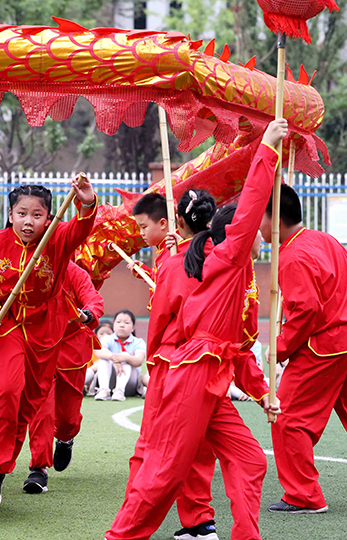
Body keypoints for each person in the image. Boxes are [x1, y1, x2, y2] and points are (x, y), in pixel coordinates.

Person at [106, 120, 287, 540]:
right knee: (165, 469)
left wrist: (262, 394)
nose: (260, 233)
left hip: (203, 371)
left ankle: (244, 534)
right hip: (191, 371)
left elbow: (234, 346)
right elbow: (252, 204)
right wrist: (267, 150)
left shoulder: (185, 261)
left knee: (249, 457)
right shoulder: (223, 259)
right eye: (250, 230)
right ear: (226, 233)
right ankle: (120, 537)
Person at [0, 176, 97, 511]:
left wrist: (87, 204)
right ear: (10, 215)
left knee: (27, 406)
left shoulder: (56, 241)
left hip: (45, 331)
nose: (29, 221)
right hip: (8, 325)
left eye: (37, 215)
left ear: (49, 218)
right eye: (22, 213)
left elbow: (80, 231)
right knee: (5, 389)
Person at [260, 183, 347, 514]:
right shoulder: (325, 240)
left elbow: (305, 310)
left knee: (286, 416)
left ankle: (303, 496)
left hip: (325, 343)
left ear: (274, 218)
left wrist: (279, 348)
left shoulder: (292, 255)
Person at [131, 189, 221, 540]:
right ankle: (200, 524)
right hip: (214, 361)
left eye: (142, 227)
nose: (140, 233)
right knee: (200, 447)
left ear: (176, 221)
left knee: (153, 447)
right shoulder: (225, 256)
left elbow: (162, 318)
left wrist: (153, 359)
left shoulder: (175, 262)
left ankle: (129, 525)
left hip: (175, 362)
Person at [25, 261, 103, 493]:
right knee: (41, 409)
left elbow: (93, 298)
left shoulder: (73, 272)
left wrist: (88, 314)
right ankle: (38, 468)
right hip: (39, 348)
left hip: (71, 349)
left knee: (68, 419)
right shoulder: (27, 266)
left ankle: (66, 439)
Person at [93, 310, 145, 401]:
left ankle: (119, 391)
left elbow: (139, 360)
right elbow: (98, 350)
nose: (122, 325)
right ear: (114, 325)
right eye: (118, 322)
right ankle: (104, 390)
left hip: (131, 382)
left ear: (133, 328)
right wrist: (114, 358)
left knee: (125, 355)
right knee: (104, 359)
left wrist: (124, 358)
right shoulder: (107, 339)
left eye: (126, 323)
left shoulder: (138, 342)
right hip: (110, 379)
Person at [85, 322, 113, 395]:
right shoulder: (93, 350)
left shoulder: (114, 347)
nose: (105, 336)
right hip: (94, 378)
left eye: (108, 334)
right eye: (101, 333)